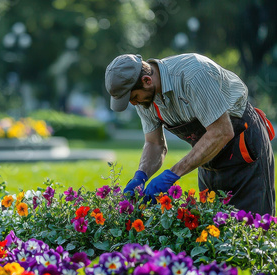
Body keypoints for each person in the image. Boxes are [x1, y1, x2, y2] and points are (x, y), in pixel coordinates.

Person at [105, 53, 275, 215]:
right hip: (209, 158)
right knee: (212, 232)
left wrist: (172, 174)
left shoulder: (194, 75)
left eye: (134, 98)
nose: (135, 104)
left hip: (244, 150)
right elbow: (154, 144)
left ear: (147, 80)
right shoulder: (146, 100)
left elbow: (221, 132)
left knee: (252, 230)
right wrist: (140, 176)